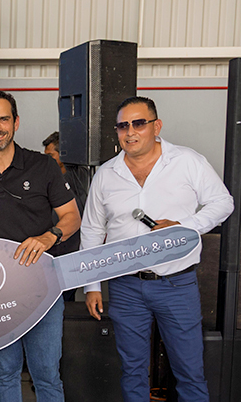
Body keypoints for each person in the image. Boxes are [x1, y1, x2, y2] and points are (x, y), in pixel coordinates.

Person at [81, 96, 233, 402]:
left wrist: (184, 227)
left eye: (139, 123)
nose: (130, 132)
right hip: (124, 286)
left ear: (156, 126)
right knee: (132, 370)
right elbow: (92, 230)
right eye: (123, 126)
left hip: (176, 283)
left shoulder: (187, 161)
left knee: (189, 371)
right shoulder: (106, 174)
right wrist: (92, 285)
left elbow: (223, 202)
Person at [0, 90, 80, 402]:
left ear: (16, 122)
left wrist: (49, 236)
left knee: (46, 375)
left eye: (3, 119)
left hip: (44, 288)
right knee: (6, 372)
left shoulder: (43, 166)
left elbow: (72, 217)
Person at [42, 131, 92, 301]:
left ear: (64, 155)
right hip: (55, 256)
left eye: (50, 156)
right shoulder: (51, 179)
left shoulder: (77, 179)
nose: (46, 160)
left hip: (69, 255)